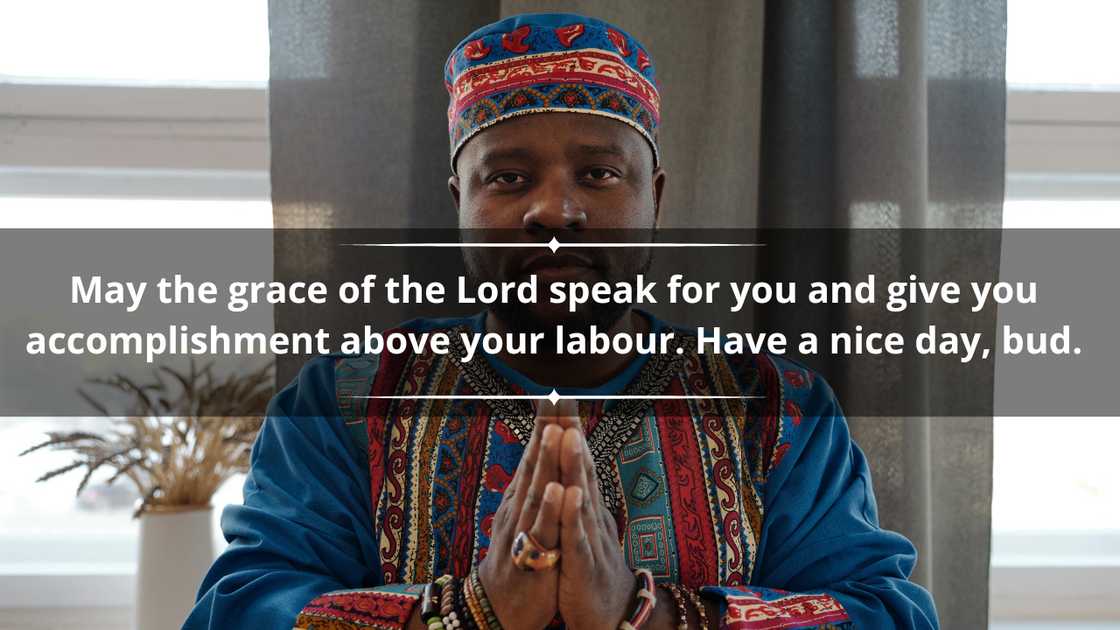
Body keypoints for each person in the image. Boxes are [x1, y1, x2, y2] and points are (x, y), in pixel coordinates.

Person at [185, 13, 938, 630]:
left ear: (655, 202)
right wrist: (465, 614)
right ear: (460, 206)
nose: (554, 210)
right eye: (508, 178)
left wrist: (656, 616)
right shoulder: (345, 404)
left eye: (599, 175)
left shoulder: (774, 408)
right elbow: (241, 610)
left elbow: (883, 613)